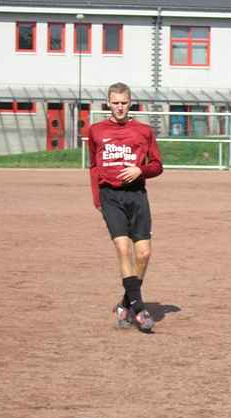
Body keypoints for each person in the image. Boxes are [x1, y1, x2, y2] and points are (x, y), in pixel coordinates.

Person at [88, 82, 163, 332]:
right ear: (108, 103)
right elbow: (93, 168)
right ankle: (140, 310)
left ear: (130, 103)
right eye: (115, 102)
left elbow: (158, 165)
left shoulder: (143, 131)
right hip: (110, 196)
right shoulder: (96, 131)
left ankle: (125, 303)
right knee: (123, 248)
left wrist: (140, 169)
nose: (119, 107)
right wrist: (97, 199)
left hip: (137, 196)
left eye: (124, 102)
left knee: (143, 253)